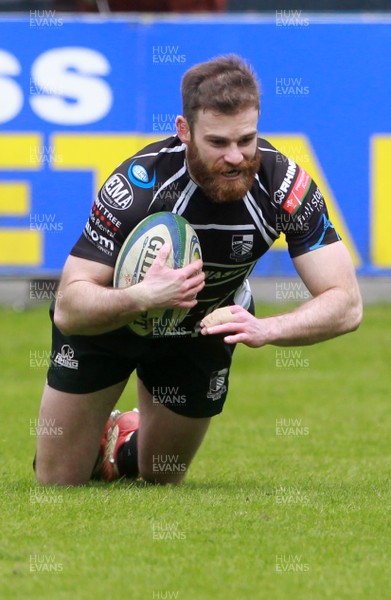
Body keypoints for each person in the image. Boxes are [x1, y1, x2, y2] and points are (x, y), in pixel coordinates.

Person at [34, 55, 362, 486]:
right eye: (218, 142)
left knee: (159, 475)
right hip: (111, 322)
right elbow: (69, 308)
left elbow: (347, 304)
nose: (236, 156)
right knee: (59, 481)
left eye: (247, 139)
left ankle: (123, 436)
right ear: (184, 131)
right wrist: (142, 297)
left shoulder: (284, 185)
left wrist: (266, 329)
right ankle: (87, 436)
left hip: (200, 328)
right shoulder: (136, 187)